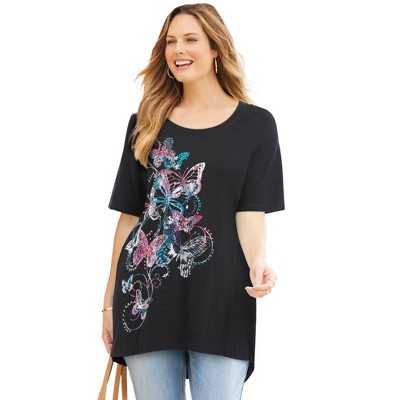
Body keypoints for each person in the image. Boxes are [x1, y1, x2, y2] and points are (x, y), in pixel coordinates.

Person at [102, 3, 284, 399]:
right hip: (146, 298)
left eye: (190, 39)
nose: (178, 50)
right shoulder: (145, 122)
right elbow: (130, 218)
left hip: (222, 299)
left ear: (216, 47)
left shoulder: (256, 126)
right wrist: (109, 303)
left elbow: (250, 211)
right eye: (171, 41)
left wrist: (258, 262)